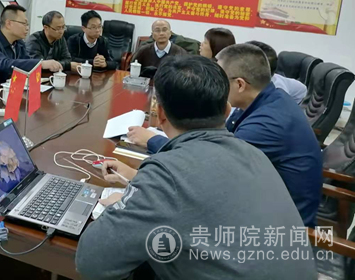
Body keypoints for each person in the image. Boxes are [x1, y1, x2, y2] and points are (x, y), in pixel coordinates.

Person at [76, 56, 316, 280]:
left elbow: (90, 262)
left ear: (161, 114)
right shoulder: (254, 154)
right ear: (227, 110)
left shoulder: (167, 173)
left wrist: (120, 206)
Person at [216, 44, 322, 228]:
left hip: (280, 230)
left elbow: (217, 170)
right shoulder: (271, 98)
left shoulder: (266, 124)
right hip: (266, 205)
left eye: (219, 80)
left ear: (240, 84)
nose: (215, 86)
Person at [0, 5, 62, 85]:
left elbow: (26, 63)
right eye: (24, 23)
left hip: (14, 87)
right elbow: (5, 64)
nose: (27, 28)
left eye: (27, 24)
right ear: (8, 24)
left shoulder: (18, 42)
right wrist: (41, 64)